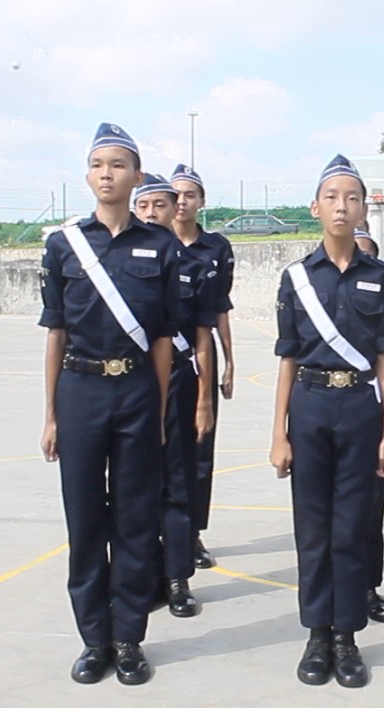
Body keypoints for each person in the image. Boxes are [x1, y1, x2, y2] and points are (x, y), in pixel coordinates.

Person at [38, 123, 179, 686]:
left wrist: (161, 408)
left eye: (118, 165)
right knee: (85, 517)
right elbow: (55, 332)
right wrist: (50, 414)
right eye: (98, 164)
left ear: (136, 176)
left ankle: (128, 639)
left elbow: (166, 338)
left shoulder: (162, 246)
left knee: (136, 518)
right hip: (79, 390)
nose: (107, 174)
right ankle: (93, 639)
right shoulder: (63, 245)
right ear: (87, 174)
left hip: (137, 390)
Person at [270, 155, 384, 689]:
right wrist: (277, 430)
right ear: (315, 207)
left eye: (352, 197)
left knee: (352, 528)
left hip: (360, 410)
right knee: (313, 528)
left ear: (364, 206)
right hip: (309, 404)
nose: (342, 206)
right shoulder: (297, 278)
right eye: (332, 197)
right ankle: (316, 635)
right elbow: (286, 356)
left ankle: (347, 636)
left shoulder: (382, 277)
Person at [133, 173, 218, 619]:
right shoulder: (119, 262)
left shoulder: (194, 266)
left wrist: (204, 398)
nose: (152, 214)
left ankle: (177, 577)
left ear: (174, 209)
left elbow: (203, 336)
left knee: (178, 480)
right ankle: (142, 574)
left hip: (181, 383)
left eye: (160, 205)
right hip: (132, 385)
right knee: (135, 484)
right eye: (143, 206)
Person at [171, 164, 236, 570]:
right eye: (175, 195)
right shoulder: (154, 242)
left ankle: (192, 533)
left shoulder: (216, 248)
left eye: (190, 194)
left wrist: (229, 362)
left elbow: (220, 309)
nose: (181, 202)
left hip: (200, 354)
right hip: (159, 355)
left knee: (199, 448)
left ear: (202, 202)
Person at [355, 224, 384, 625]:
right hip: (323, 406)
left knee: (370, 510)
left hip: (368, 404)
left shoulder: (382, 284)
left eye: (366, 252)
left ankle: (368, 588)